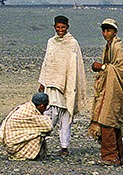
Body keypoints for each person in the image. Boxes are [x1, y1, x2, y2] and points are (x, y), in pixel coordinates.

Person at [37, 15, 86, 157]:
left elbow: (75, 66)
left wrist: (72, 85)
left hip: (67, 86)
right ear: (54, 27)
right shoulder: (51, 42)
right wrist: (42, 81)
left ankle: (64, 147)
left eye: (63, 27)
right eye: (58, 27)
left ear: (67, 27)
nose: (60, 30)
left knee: (66, 116)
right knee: (49, 115)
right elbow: (47, 62)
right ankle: (39, 142)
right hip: (51, 85)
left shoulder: (72, 43)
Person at [88, 18, 123, 164]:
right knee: (111, 122)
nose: (106, 33)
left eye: (109, 30)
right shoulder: (109, 46)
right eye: (104, 30)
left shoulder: (117, 48)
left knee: (107, 121)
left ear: (115, 32)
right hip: (109, 87)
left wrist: (103, 67)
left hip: (115, 89)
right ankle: (118, 156)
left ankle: (110, 156)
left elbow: (121, 70)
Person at [0, 92, 54, 160]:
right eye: (45, 106)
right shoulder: (29, 113)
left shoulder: (26, 107)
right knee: (39, 133)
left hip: (10, 142)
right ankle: (24, 154)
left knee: (37, 130)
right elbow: (48, 127)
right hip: (13, 145)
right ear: (41, 106)